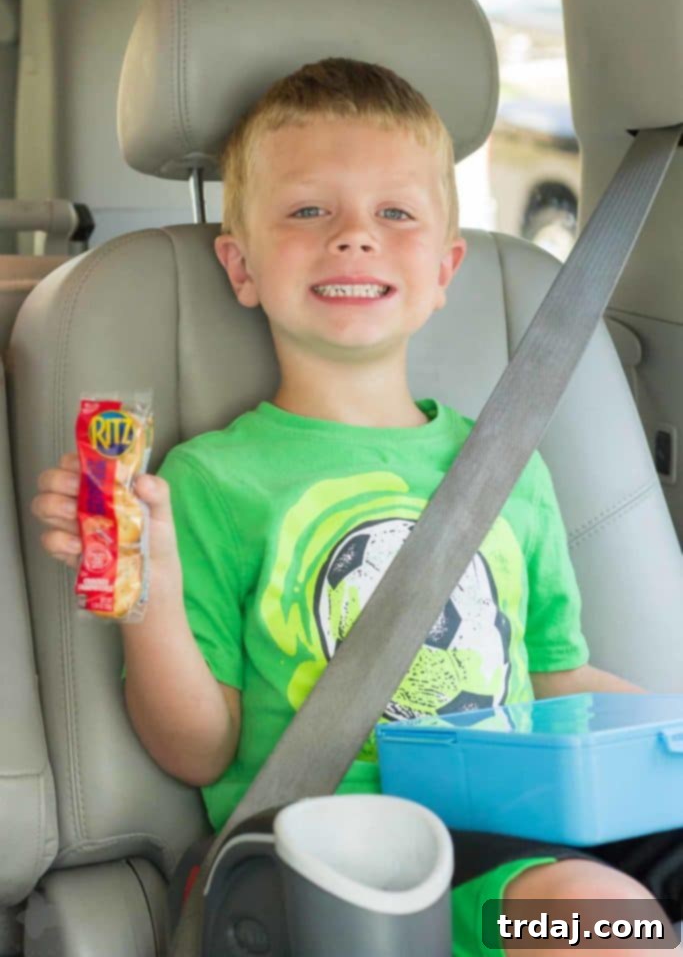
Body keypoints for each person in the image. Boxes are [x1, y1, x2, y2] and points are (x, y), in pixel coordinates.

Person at [32, 57, 681, 957]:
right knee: (593, 919)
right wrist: (149, 590)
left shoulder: (505, 463)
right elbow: (197, 752)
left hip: (525, 816)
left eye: (395, 214)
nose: (353, 238)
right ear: (241, 264)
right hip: (349, 862)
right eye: (307, 211)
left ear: (446, 265)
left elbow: (555, 681)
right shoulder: (212, 481)